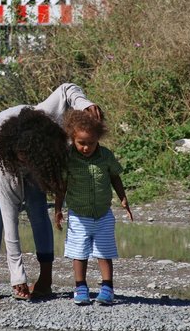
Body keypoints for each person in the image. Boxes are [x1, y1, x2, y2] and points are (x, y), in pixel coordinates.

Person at [0, 83, 103, 305]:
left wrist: (85, 104)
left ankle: (45, 280)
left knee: (38, 209)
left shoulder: (44, 118)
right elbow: (10, 219)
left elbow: (66, 89)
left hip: (32, 154)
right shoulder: (3, 160)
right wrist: (17, 275)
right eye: (24, 158)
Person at [54, 109, 133, 305]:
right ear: (73, 138)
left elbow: (115, 176)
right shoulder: (68, 158)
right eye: (81, 143)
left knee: (104, 252)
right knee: (78, 252)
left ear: (99, 138)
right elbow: (61, 186)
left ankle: (107, 288)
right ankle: (80, 287)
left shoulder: (105, 156)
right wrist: (57, 210)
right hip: (78, 216)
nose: (86, 148)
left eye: (91, 143)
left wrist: (123, 198)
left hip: (103, 215)